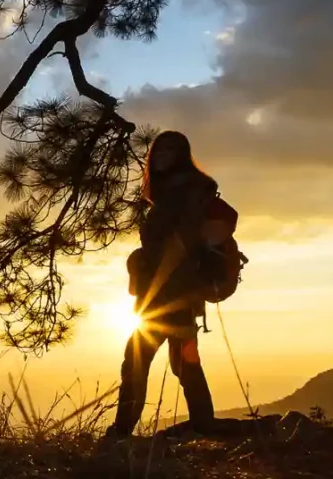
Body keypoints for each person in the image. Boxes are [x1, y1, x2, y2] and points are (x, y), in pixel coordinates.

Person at [105, 130, 216, 438]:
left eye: (171, 149)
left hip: (170, 292)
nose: (164, 155)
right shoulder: (174, 191)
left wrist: (158, 280)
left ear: (182, 155)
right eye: (160, 149)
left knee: (137, 358)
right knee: (184, 363)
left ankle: (121, 432)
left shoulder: (186, 191)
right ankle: (204, 426)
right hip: (176, 292)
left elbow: (182, 242)